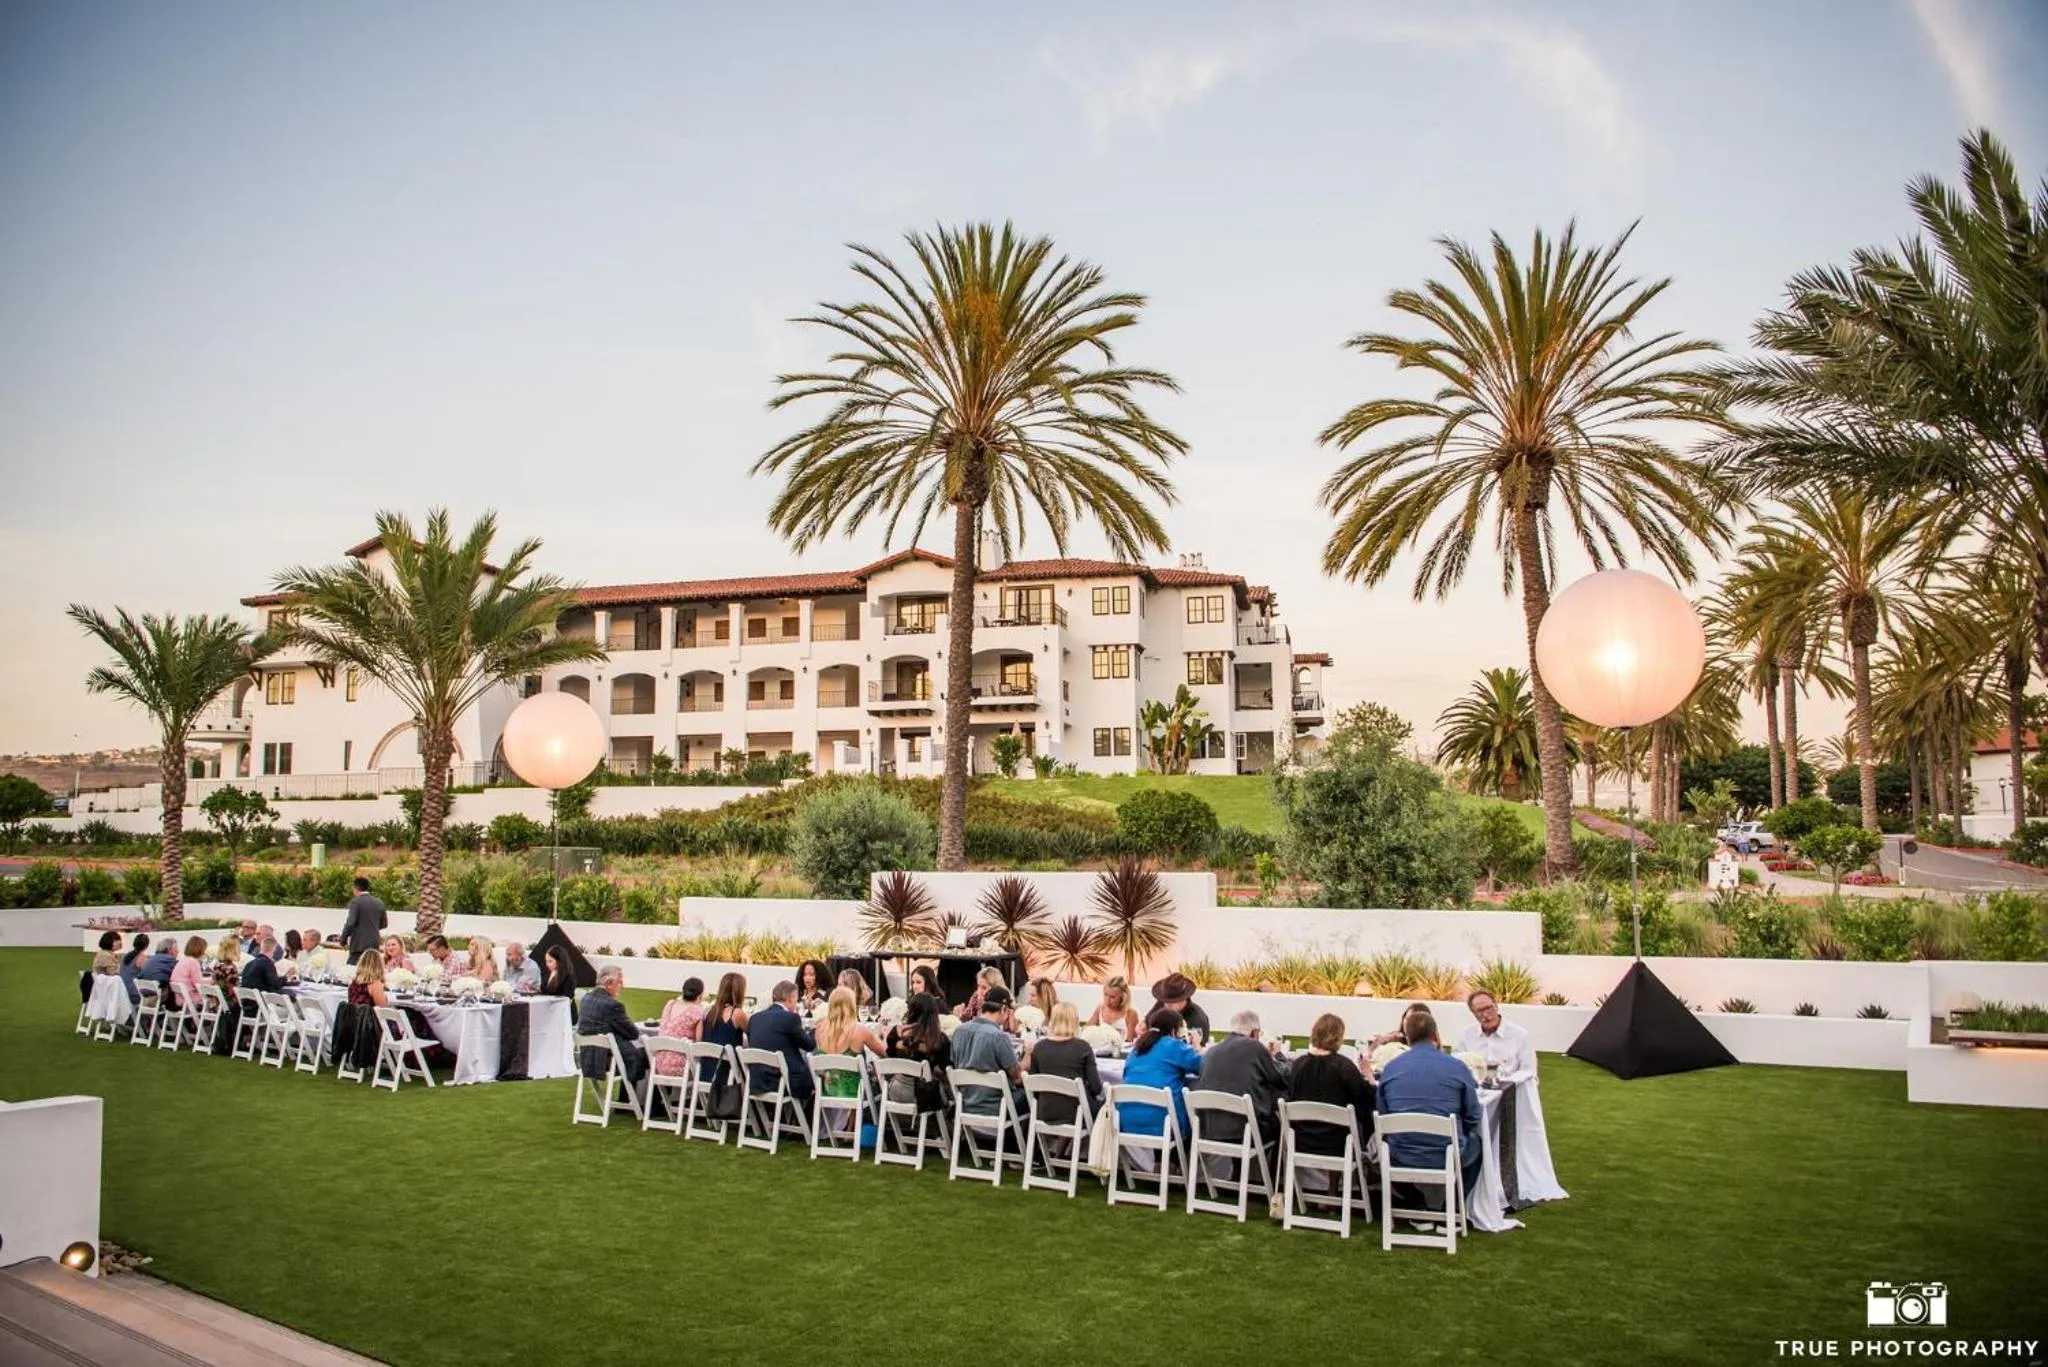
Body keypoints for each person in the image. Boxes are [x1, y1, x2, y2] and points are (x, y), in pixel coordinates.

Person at [1376, 1011, 1483, 1198]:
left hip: (1400, 1152)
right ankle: (1455, 1205)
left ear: (1407, 1038)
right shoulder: (1456, 1067)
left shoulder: (1391, 1068)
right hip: (1447, 1153)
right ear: (1435, 1036)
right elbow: (1473, 1115)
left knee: (1378, 1148)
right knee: (1476, 1143)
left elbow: (1382, 1113)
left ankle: (1414, 1202)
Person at [1286, 1013, 1377, 1157]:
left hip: (1300, 1140)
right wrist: (1369, 1076)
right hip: (1338, 1144)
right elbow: (1364, 1100)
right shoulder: (1344, 1067)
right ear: (1338, 1037)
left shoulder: (1298, 1065)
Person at [1197, 1009, 1289, 1150]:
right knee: (1278, 1125)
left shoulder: (1212, 1051)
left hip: (1210, 1129)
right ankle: (1266, 1172)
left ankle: (1240, 1171)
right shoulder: (1255, 1047)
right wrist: (1278, 1055)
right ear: (1255, 1032)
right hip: (1245, 1131)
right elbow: (1280, 1077)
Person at [1118, 1007, 1202, 1138]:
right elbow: (1202, 1066)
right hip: (1164, 1124)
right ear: (1175, 1030)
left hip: (1126, 1122)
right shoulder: (1173, 1046)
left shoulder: (1137, 1049)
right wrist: (1197, 1046)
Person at [1025, 1001, 1102, 1125]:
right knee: (1106, 1107)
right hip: (1077, 1113)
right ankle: (1082, 1144)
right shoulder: (1082, 1048)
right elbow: (1096, 1088)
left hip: (1045, 1112)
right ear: (1075, 1022)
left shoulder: (1039, 1047)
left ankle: (1063, 1143)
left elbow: (1033, 1086)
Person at [745, 981, 817, 1105]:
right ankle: (805, 1120)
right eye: (796, 999)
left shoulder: (754, 1018)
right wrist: (814, 1031)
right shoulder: (790, 1018)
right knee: (817, 1079)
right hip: (784, 1081)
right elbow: (809, 1045)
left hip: (757, 1080)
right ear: (789, 999)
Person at [884, 992, 952, 1117]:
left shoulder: (896, 1033)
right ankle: (942, 1127)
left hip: (895, 1090)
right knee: (950, 1090)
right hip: (923, 1096)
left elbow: (890, 1058)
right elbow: (946, 1068)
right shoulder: (938, 1040)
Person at [577, 965, 646, 1083]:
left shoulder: (585, 1000)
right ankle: (644, 1099)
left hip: (587, 1060)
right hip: (606, 1061)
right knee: (649, 1054)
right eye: (620, 982)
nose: (622, 986)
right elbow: (633, 1033)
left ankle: (631, 1097)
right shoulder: (612, 1006)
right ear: (609, 983)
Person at [813, 986, 888, 1094]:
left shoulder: (820, 1030)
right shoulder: (859, 1030)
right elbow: (884, 1053)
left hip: (828, 1093)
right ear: (851, 1006)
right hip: (857, 1093)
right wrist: (885, 1035)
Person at [1456, 991, 1535, 1084]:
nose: (1486, 1015)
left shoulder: (1520, 1035)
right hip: (1477, 1091)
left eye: (1488, 1008)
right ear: (1473, 1013)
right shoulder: (1465, 1035)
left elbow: (1528, 1071)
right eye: (1479, 1011)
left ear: (1496, 1006)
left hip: (1510, 1091)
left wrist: (1504, 1085)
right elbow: (1457, 1065)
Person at [654, 978, 708, 1078]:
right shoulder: (697, 1011)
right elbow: (699, 1041)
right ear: (700, 995)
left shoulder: (670, 1004)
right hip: (681, 1066)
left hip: (659, 1063)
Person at [339, 877, 387, 964]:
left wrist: (343, 940)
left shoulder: (356, 902)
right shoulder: (379, 902)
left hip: (358, 944)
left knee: (352, 969)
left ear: (355, 888)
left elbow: (350, 923)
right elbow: (384, 924)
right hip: (374, 944)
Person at [1150, 973, 1211, 1040]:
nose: (1168, 1004)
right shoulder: (1162, 1005)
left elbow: (1198, 1048)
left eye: (1173, 1001)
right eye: (1166, 1001)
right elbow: (1148, 1021)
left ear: (1184, 998)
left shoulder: (1197, 1020)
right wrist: (1143, 1025)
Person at [1086, 976, 1142, 1043]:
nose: (1107, 1000)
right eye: (1105, 994)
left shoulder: (1130, 1013)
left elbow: (1131, 1042)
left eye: (1112, 997)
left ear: (1122, 997)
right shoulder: (1101, 1008)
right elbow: (1087, 1031)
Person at [1367, 1002, 1433, 1050]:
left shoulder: (1431, 1046)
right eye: (1406, 1018)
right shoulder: (1394, 1038)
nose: (1407, 1023)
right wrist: (1378, 1042)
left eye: (1412, 1020)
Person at [170, 935, 208, 1012]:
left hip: (180, 998)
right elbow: (199, 983)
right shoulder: (193, 962)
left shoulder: (183, 960)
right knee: (216, 999)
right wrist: (213, 980)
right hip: (189, 1000)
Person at [85, 931, 122, 1003]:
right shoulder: (105, 955)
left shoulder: (105, 953)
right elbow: (113, 973)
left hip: (104, 985)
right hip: (106, 987)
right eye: (117, 940)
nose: (120, 942)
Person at [118, 932, 151, 1004]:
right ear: (146, 946)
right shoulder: (142, 958)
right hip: (133, 993)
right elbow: (147, 974)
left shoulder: (125, 956)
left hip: (122, 991)